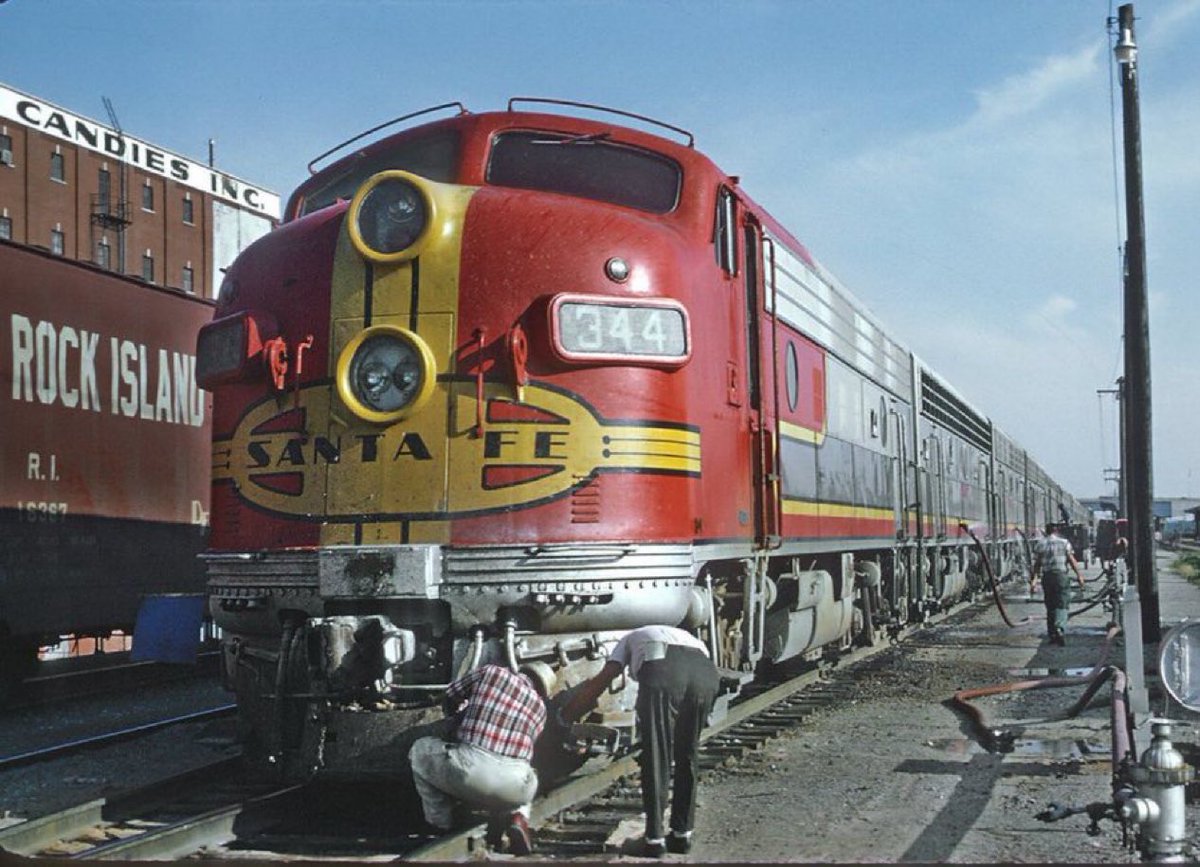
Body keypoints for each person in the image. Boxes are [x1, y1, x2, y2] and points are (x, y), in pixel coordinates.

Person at [561, 625, 721, 857]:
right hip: (706, 675)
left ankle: (654, 840)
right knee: (688, 753)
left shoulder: (626, 639)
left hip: (663, 671)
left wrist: (566, 716)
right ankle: (682, 835)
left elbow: (603, 681)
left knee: (657, 754)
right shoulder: (686, 636)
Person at [410, 663, 546, 854]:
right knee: (529, 773)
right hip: (514, 790)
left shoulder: (492, 672)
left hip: (471, 770)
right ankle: (519, 817)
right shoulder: (541, 710)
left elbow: (451, 694)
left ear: (521, 671)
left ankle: (440, 824)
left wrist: (454, 718)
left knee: (419, 750)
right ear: (541, 689)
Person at [1030, 523, 1086, 646]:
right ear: (1056, 531)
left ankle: (1052, 635)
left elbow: (1037, 564)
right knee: (1062, 603)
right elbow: (1072, 561)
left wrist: (1033, 581)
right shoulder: (1064, 542)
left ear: (1046, 531)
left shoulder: (1040, 544)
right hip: (1061, 576)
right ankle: (1059, 628)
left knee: (1050, 605)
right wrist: (1080, 576)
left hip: (1047, 577)